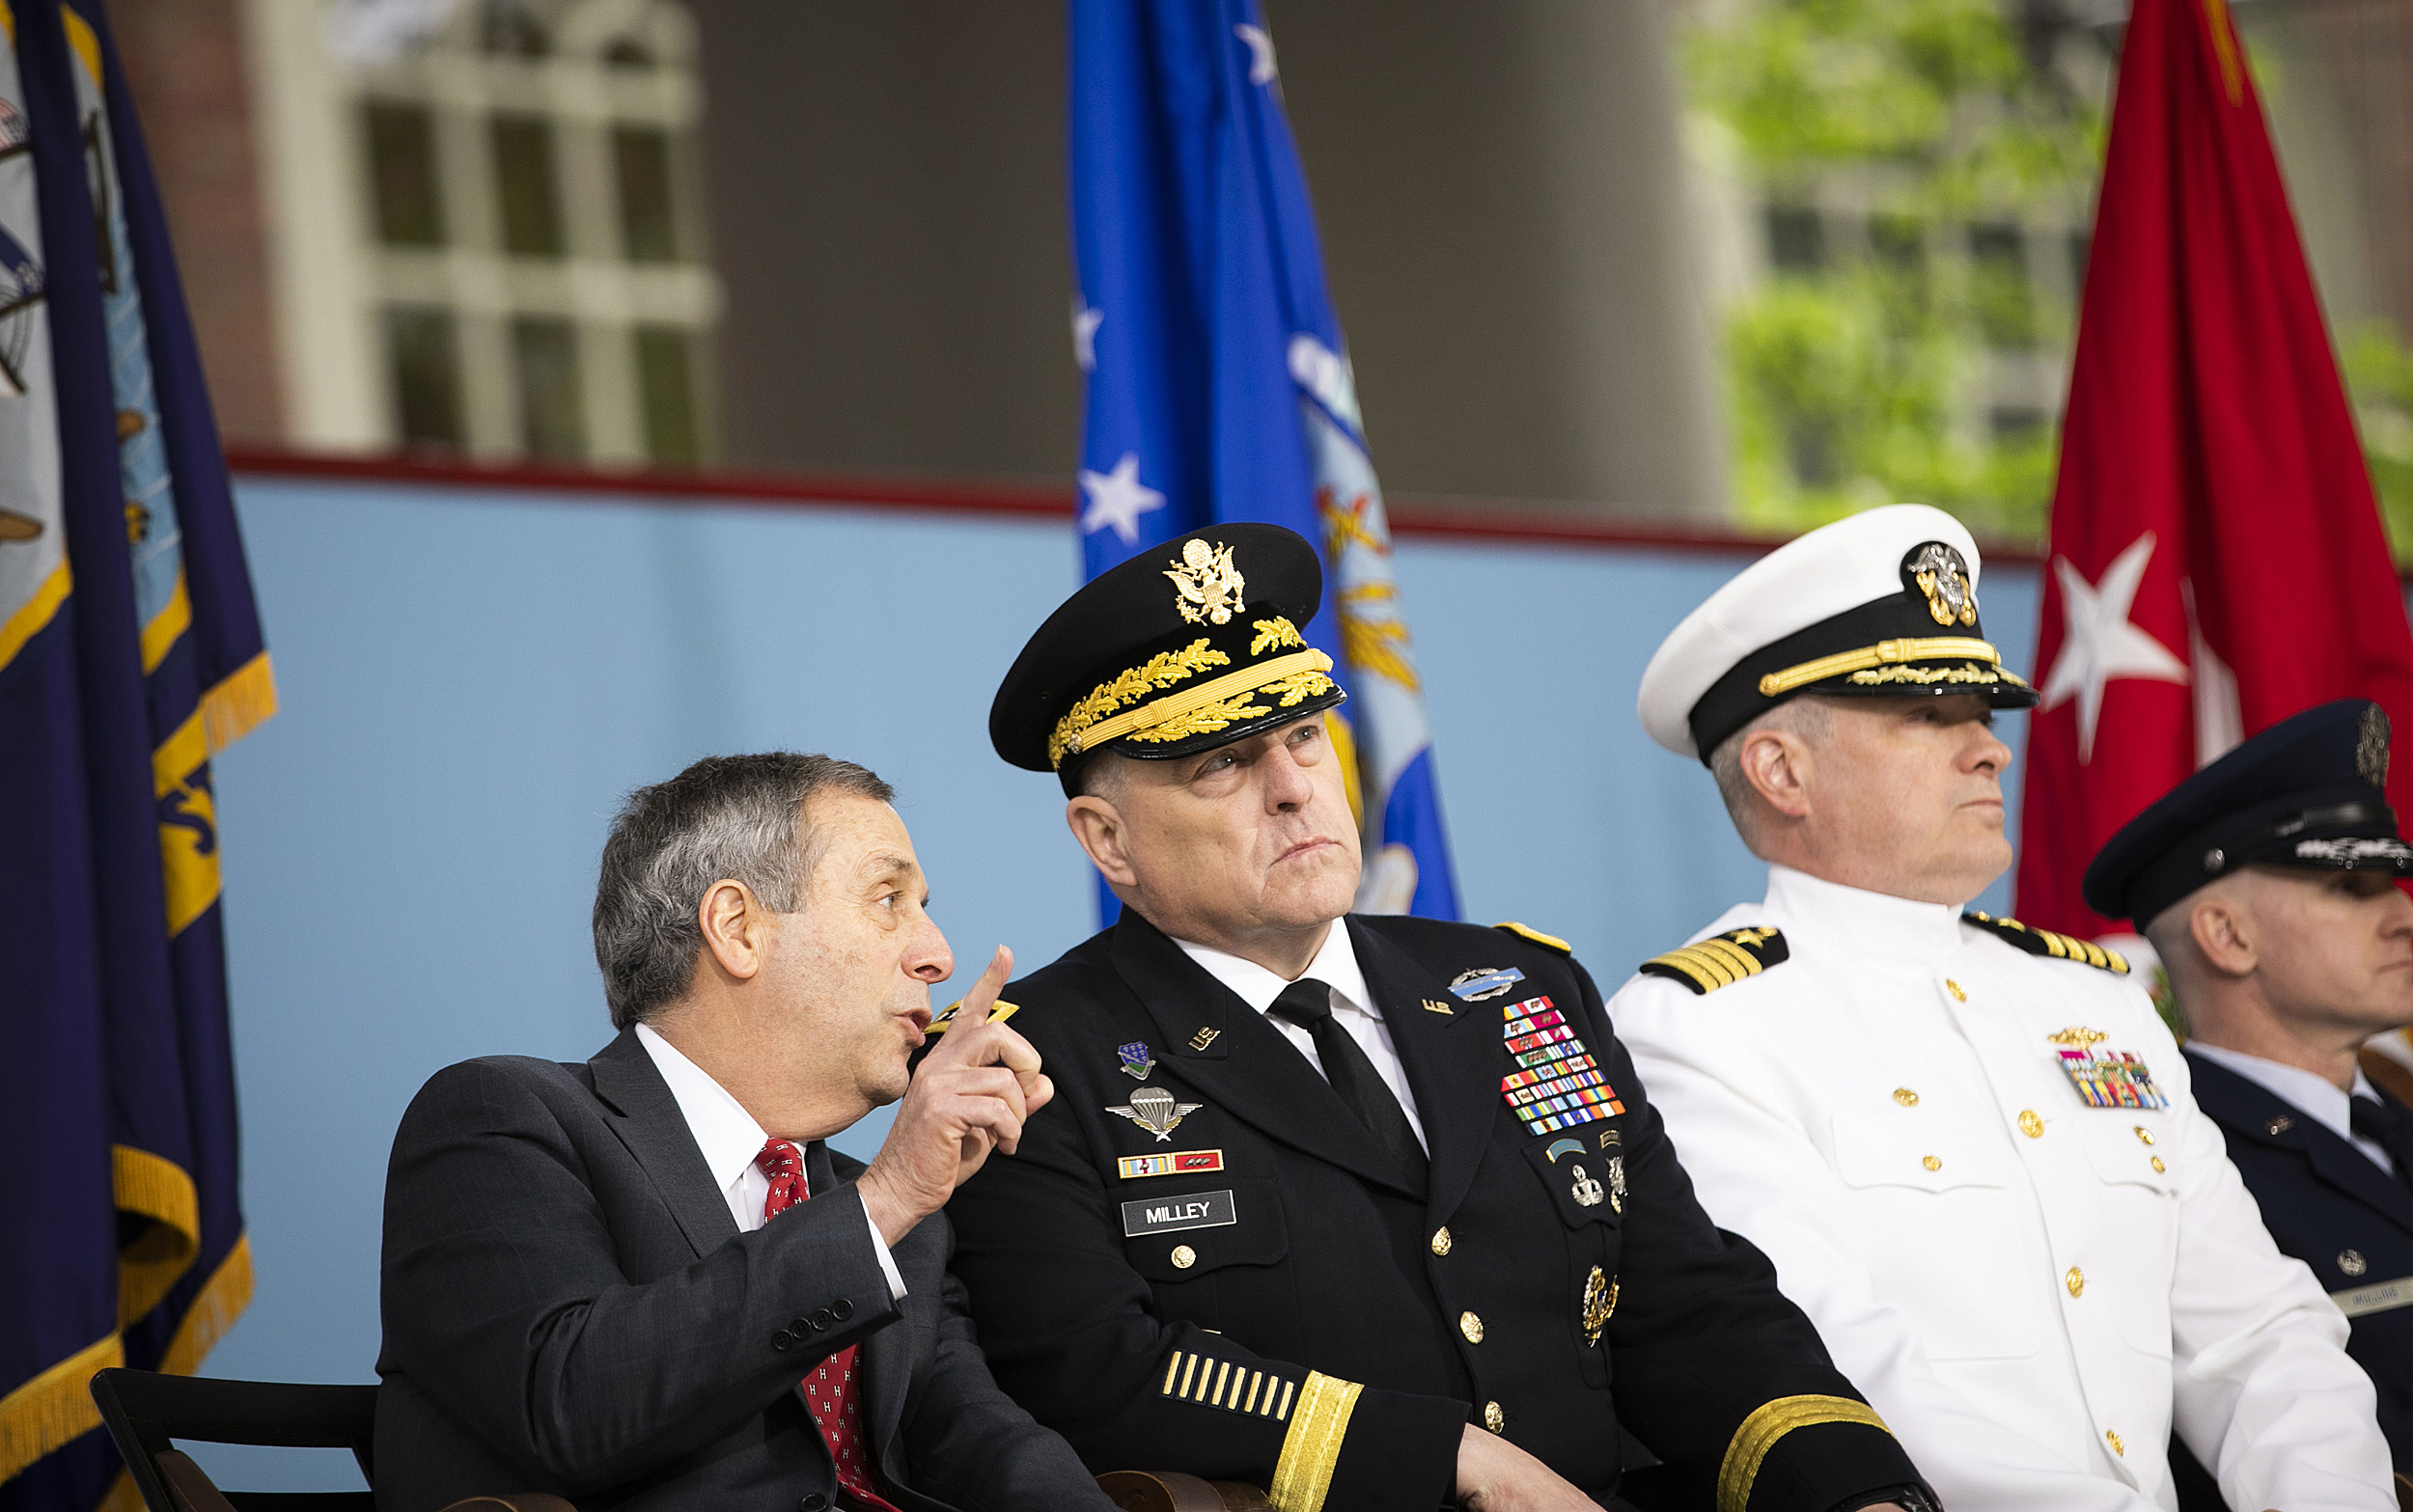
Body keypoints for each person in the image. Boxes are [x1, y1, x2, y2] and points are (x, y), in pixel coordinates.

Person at [940, 523, 1935, 1512]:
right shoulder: (1038, 1055)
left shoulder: (1518, 987)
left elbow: (1686, 1301)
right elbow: (1093, 1369)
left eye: (1301, 735)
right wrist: (1450, 1456)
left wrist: (1857, 1489)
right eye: (1222, 763)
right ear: (1106, 838)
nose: (1294, 787)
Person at [1606, 503, 2394, 1512]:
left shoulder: (2095, 1000)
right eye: (1927, 714)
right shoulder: (1696, 1026)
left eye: (1981, 713)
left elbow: (2258, 1332)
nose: (1991, 750)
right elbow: (1838, 1366)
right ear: (1780, 769)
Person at [374, 753, 1119, 1512]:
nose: (937, 953)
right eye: (888, 898)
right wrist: (884, 1203)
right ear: (736, 928)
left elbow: (977, 1437)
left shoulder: (887, 1207)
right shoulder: (502, 1116)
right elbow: (571, 1405)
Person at [2085, 697, 2413, 1481]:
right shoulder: (2169, 1165)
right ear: (2227, 936)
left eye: (2394, 882)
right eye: (2350, 887)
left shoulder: (2396, 1124)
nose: (2402, 916)